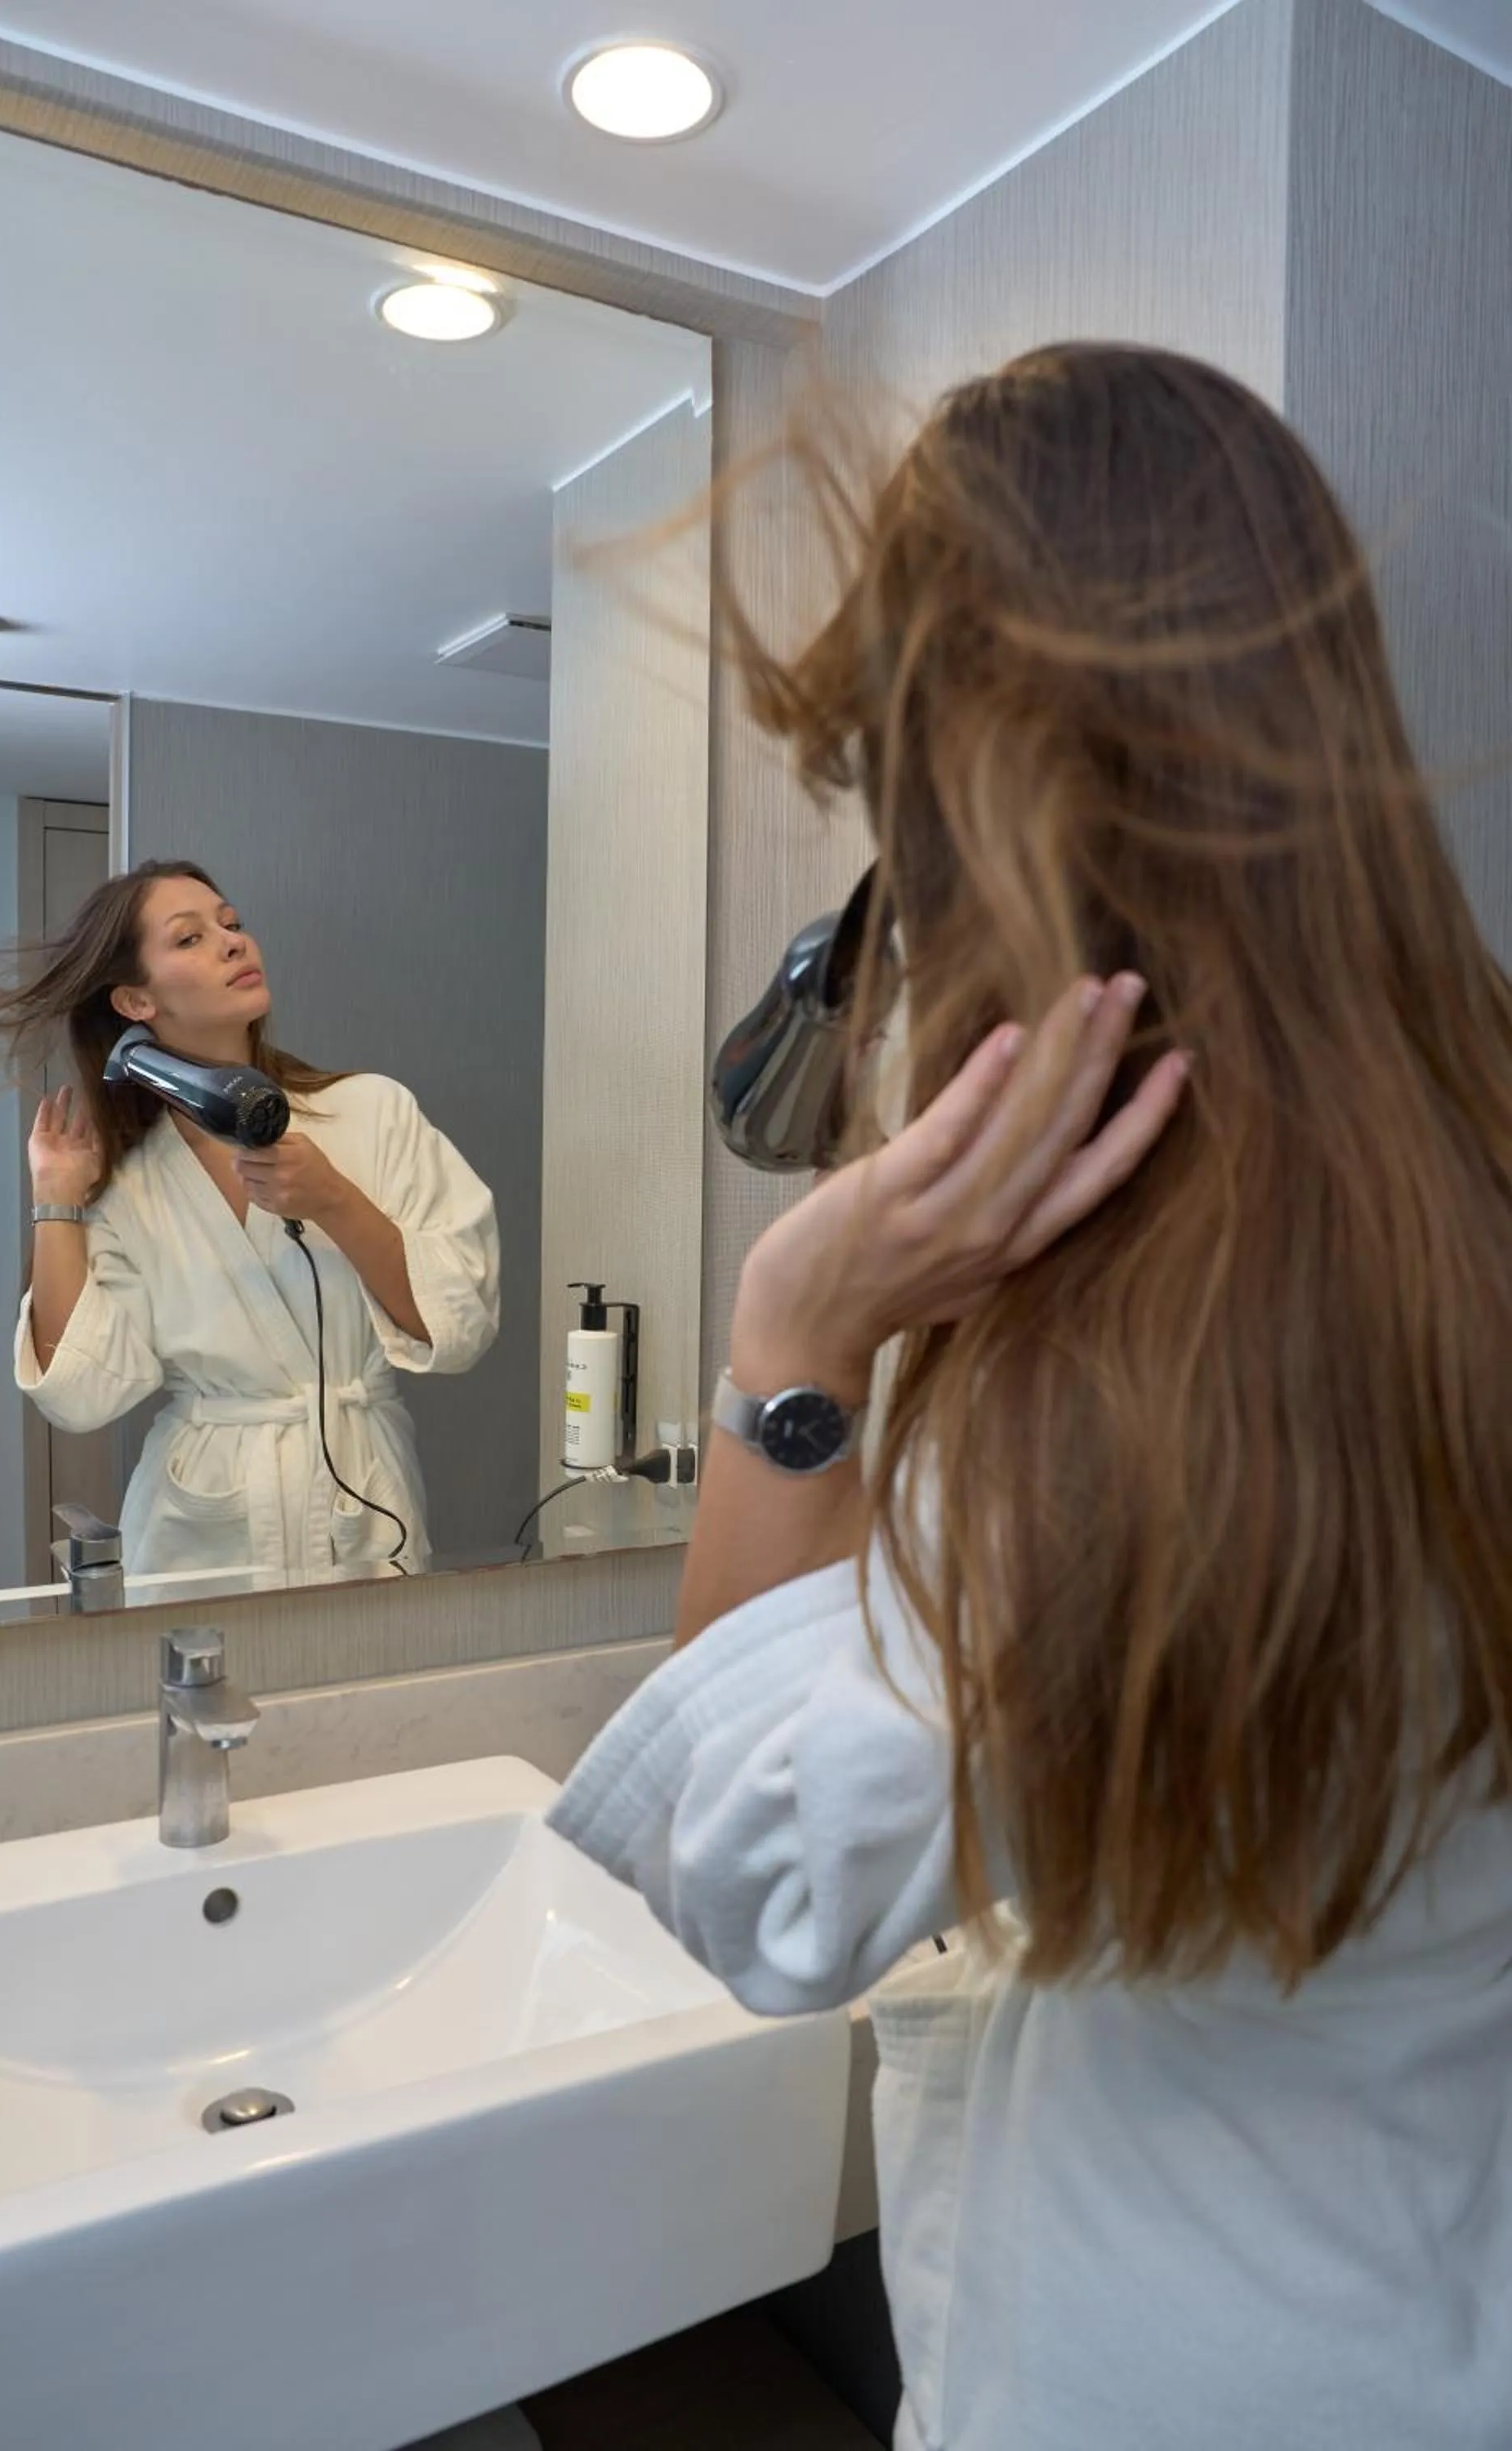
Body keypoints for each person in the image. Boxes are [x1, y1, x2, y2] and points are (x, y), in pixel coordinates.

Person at [548, 345, 1512, 2449]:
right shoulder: (1462, 1190)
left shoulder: (1164, 1351)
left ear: (987, 799)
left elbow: (761, 1884)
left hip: (1158, 2358)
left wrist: (797, 1337)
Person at [0, 859, 497, 1577]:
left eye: (232, 924)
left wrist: (334, 1200)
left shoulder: (373, 1112)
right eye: (190, 938)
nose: (234, 943)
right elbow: (80, 1394)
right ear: (136, 1001)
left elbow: (458, 1325)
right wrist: (57, 1201)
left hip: (363, 1508)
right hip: (196, 1530)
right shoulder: (129, 1184)